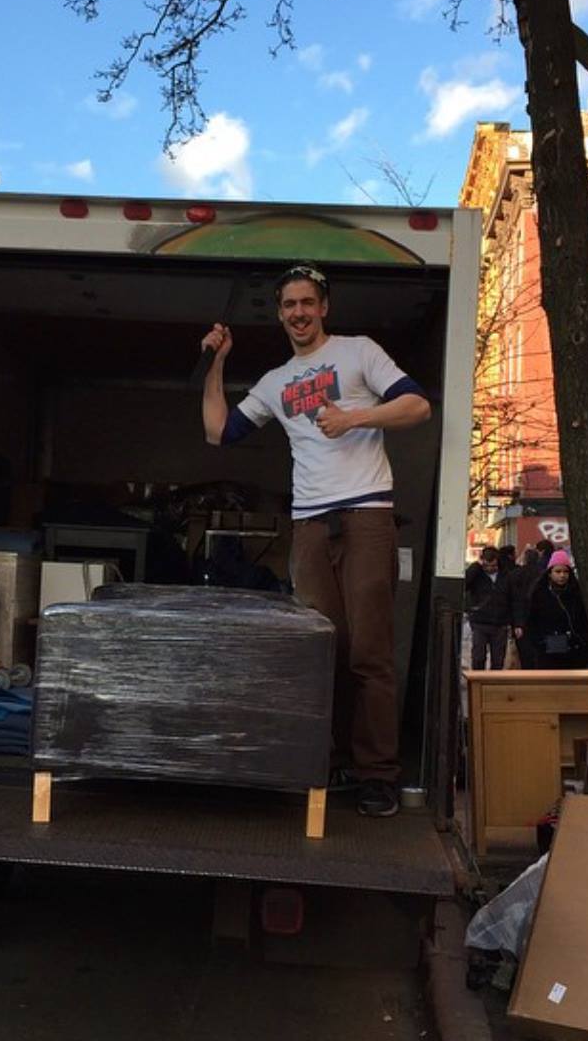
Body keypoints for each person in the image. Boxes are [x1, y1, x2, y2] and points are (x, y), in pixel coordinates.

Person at [199, 263, 431, 818]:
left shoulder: (358, 351)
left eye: (307, 303)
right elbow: (218, 431)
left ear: (324, 307)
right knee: (324, 648)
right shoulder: (276, 381)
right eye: (289, 305)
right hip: (309, 524)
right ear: (280, 315)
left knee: (370, 650)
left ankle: (377, 773)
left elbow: (418, 406)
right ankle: (330, 761)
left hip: (365, 512)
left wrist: (354, 418)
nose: (299, 313)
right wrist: (217, 361)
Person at [515, 549, 588, 668]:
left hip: (574, 652)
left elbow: (583, 621)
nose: (562, 575)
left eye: (565, 572)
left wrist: (582, 641)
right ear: (550, 573)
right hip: (547, 652)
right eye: (558, 571)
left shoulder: (577, 594)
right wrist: (540, 642)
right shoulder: (538, 594)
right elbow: (531, 621)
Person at [464, 546, 511, 670]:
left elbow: (513, 598)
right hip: (480, 621)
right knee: (478, 657)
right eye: (486, 566)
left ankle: (494, 682)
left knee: (498, 659)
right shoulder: (477, 574)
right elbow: (464, 583)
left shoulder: (506, 575)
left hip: (500, 622)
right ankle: (478, 680)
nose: (490, 569)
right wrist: (476, 566)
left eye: (493, 566)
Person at [507, 548, 543, 667]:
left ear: (525, 559)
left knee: (524, 654)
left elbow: (514, 600)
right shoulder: (543, 575)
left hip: (521, 620)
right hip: (539, 620)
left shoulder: (515, 575)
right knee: (538, 653)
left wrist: (517, 623)